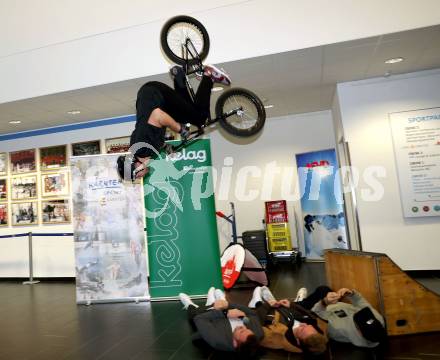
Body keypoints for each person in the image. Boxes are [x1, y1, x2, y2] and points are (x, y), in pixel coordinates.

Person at [117, 64, 231, 181]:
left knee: (199, 118)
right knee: (186, 114)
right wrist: (166, 147)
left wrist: (179, 129)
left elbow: (158, 115)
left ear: (136, 168)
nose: (139, 178)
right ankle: (179, 77)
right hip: (154, 97)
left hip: (155, 94)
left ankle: (209, 75)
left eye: (136, 176)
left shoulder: (141, 149)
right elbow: (154, 135)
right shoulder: (143, 150)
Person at [179, 287, 263, 356]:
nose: (243, 327)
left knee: (194, 314)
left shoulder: (218, 340)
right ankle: (219, 301)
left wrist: (225, 313)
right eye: (247, 329)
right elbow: (252, 314)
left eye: (241, 331)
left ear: (234, 343)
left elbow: (199, 318)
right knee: (223, 304)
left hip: (210, 317)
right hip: (227, 311)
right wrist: (228, 305)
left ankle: (191, 304)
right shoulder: (258, 334)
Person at [247, 286, 328, 355]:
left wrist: (266, 306)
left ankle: (255, 303)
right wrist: (292, 305)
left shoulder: (275, 337)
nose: (304, 324)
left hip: (268, 311)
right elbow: (309, 314)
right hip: (288, 310)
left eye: (302, 329)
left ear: (298, 341)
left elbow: (255, 322)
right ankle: (297, 301)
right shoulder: (318, 333)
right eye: (309, 326)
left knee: (258, 288)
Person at [300, 286, 387, 348]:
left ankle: (300, 302)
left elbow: (317, 312)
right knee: (324, 289)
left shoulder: (338, 329)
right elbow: (361, 301)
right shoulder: (378, 319)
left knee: (302, 305)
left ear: (359, 332)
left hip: (321, 309)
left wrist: (325, 301)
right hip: (338, 304)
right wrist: (350, 294)